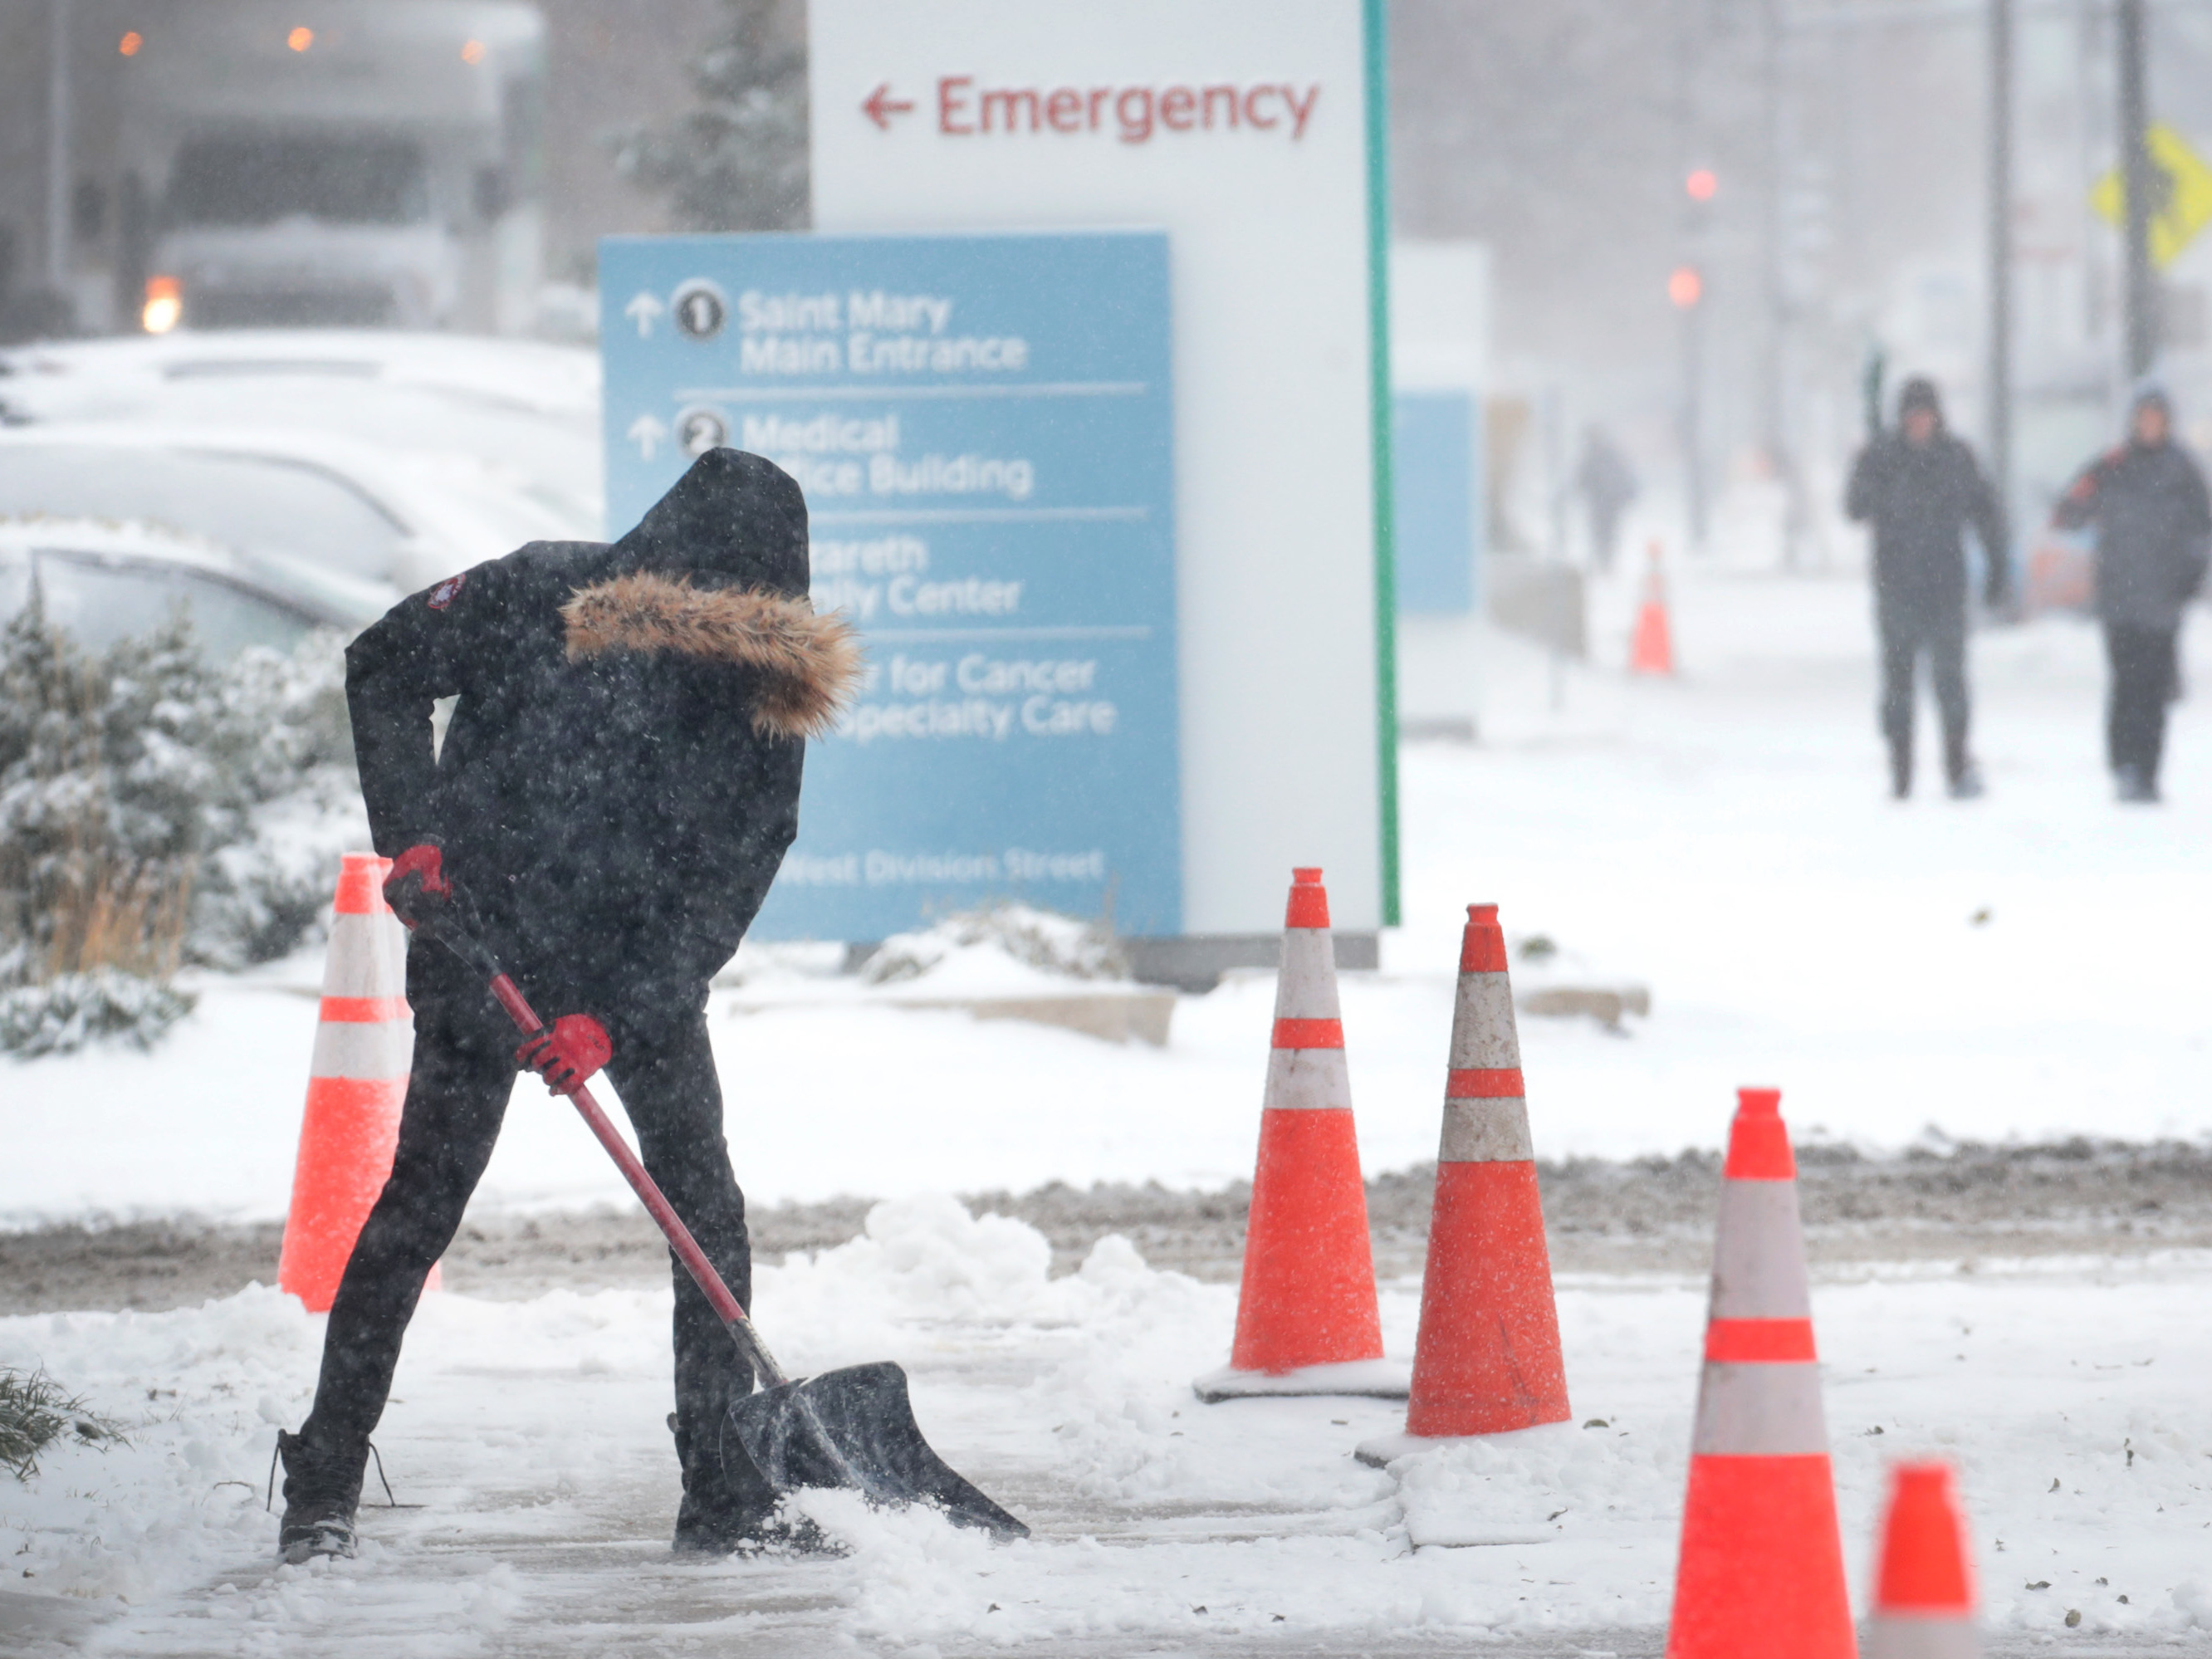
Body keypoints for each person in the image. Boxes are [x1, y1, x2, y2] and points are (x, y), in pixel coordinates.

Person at [274, 448, 861, 1562]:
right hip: (479, 932)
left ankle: (724, 1486)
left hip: (636, 965)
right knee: (422, 1200)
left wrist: (617, 1018)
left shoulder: (762, 697)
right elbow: (384, 664)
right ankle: (327, 1467)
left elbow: (731, 875)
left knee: (702, 1205)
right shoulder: (533, 593)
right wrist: (416, 831)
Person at [1844, 377, 2009, 800]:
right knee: (1897, 685)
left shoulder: (1956, 458)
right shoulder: (1882, 457)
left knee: (1950, 683)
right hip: (1896, 588)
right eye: (1912, 416)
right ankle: (1900, 770)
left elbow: (1986, 514)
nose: (1919, 423)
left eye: (1925, 415)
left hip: (1944, 590)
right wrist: (1868, 472)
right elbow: (1853, 507)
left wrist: (1996, 569)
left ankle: (1957, 765)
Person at [2052, 387, 2212, 803]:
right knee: (2126, 684)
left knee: (2154, 689)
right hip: (2119, 599)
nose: (2150, 426)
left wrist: (2190, 578)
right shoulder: (2113, 466)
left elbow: (2202, 530)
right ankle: (2123, 765)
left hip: (2163, 600)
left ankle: (2147, 771)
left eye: (2157, 418)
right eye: (2144, 417)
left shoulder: (2183, 472)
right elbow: (2070, 509)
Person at [1573, 425, 1638, 575]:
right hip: (1609, 503)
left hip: (1601, 503)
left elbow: (1581, 480)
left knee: (1600, 534)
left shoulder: (1591, 456)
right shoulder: (1611, 454)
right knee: (1607, 534)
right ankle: (1606, 563)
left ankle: (1604, 562)